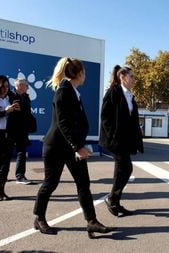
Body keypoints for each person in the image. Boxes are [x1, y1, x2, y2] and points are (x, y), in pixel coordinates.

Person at [33, 57, 115, 238]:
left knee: (83, 184)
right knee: (50, 183)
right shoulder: (63, 91)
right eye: (84, 72)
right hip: (56, 147)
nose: (85, 75)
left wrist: (78, 146)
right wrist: (77, 147)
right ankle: (39, 218)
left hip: (71, 147)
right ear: (79, 73)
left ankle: (91, 221)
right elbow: (63, 123)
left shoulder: (73, 91)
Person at [99, 65, 144, 217]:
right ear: (122, 77)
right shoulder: (114, 92)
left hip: (125, 140)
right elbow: (105, 117)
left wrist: (137, 133)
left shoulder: (129, 95)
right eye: (131, 76)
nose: (134, 80)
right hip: (116, 140)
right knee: (125, 168)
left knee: (122, 169)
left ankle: (115, 201)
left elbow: (131, 118)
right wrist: (112, 136)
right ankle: (112, 198)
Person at [7, 78, 33, 185]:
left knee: (21, 152)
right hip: (10, 129)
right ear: (20, 86)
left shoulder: (26, 97)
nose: (27, 88)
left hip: (22, 130)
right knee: (6, 153)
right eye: (26, 86)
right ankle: (2, 175)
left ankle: (20, 176)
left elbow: (26, 113)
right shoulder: (9, 95)